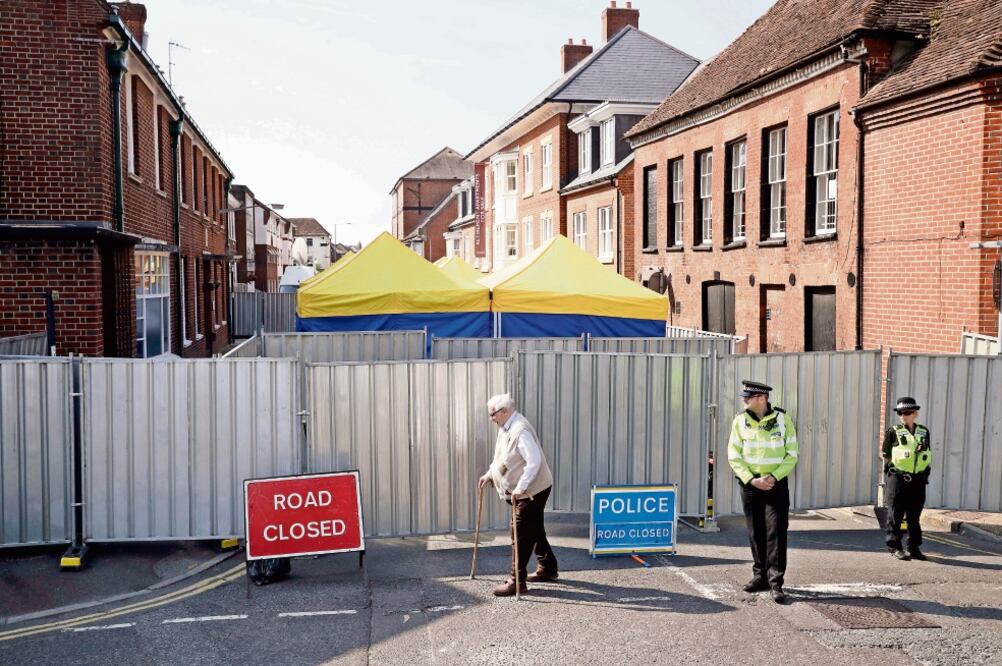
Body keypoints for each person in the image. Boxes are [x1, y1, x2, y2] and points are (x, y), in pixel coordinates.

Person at [727, 380, 799, 604]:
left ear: (761, 398)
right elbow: (734, 455)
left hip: (775, 484)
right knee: (755, 531)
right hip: (750, 485)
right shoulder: (740, 421)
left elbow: (792, 454)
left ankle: (776, 581)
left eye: (748, 397)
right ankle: (760, 576)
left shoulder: (782, 419)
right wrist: (752, 480)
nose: (744, 400)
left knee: (776, 531)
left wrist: (773, 477)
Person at [478, 393, 557, 596]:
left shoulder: (519, 430)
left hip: (532, 490)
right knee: (534, 527)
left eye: (493, 414)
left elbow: (534, 460)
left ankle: (517, 581)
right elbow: (503, 458)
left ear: (504, 412)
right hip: (528, 489)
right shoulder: (506, 428)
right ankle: (548, 567)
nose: (491, 418)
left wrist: (521, 487)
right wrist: (490, 474)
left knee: (520, 531)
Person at [881, 397, 932, 561]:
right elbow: (885, 454)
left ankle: (914, 547)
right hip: (898, 479)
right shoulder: (893, 431)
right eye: (901, 412)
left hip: (918, 480)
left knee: (914, 517)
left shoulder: (924, 431)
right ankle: (895, 547)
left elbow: (927, 454)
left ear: (915, 413)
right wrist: (892, 471)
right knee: (895, 515)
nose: (904, 415)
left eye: (908, 412)